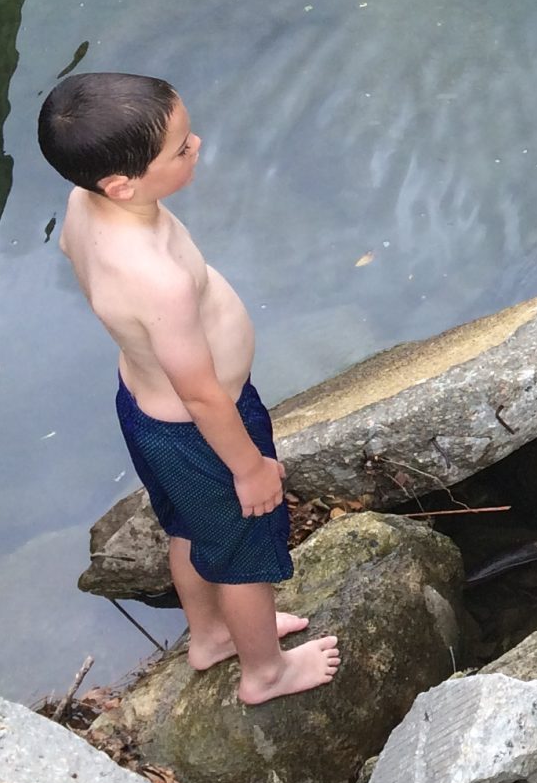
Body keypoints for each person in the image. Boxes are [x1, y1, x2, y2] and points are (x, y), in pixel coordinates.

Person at [41, 73, 342, 703]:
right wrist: (249, 467)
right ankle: (265, 671)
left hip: (146, 410)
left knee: (188, 528)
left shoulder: (83, 205)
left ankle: (209, 636)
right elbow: (202, 393)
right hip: (204, 428)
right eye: (179, 149)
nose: (197, 145)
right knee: (243, 552)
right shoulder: (156, 279)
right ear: (120, 184)